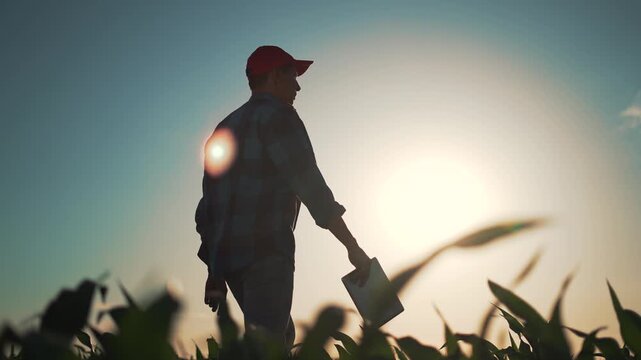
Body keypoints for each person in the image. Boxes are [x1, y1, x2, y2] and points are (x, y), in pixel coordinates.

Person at [194, 45, 371, 352]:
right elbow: (311, 187)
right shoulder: (280, 117)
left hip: (232, 262)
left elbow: (210, 210)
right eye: (292, 76)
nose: (298, 86)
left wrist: (215, 273)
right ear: (274, 76)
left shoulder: (224, 128)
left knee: (278, 338)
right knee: (268, 348)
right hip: (266, 253)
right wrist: (352, 247)